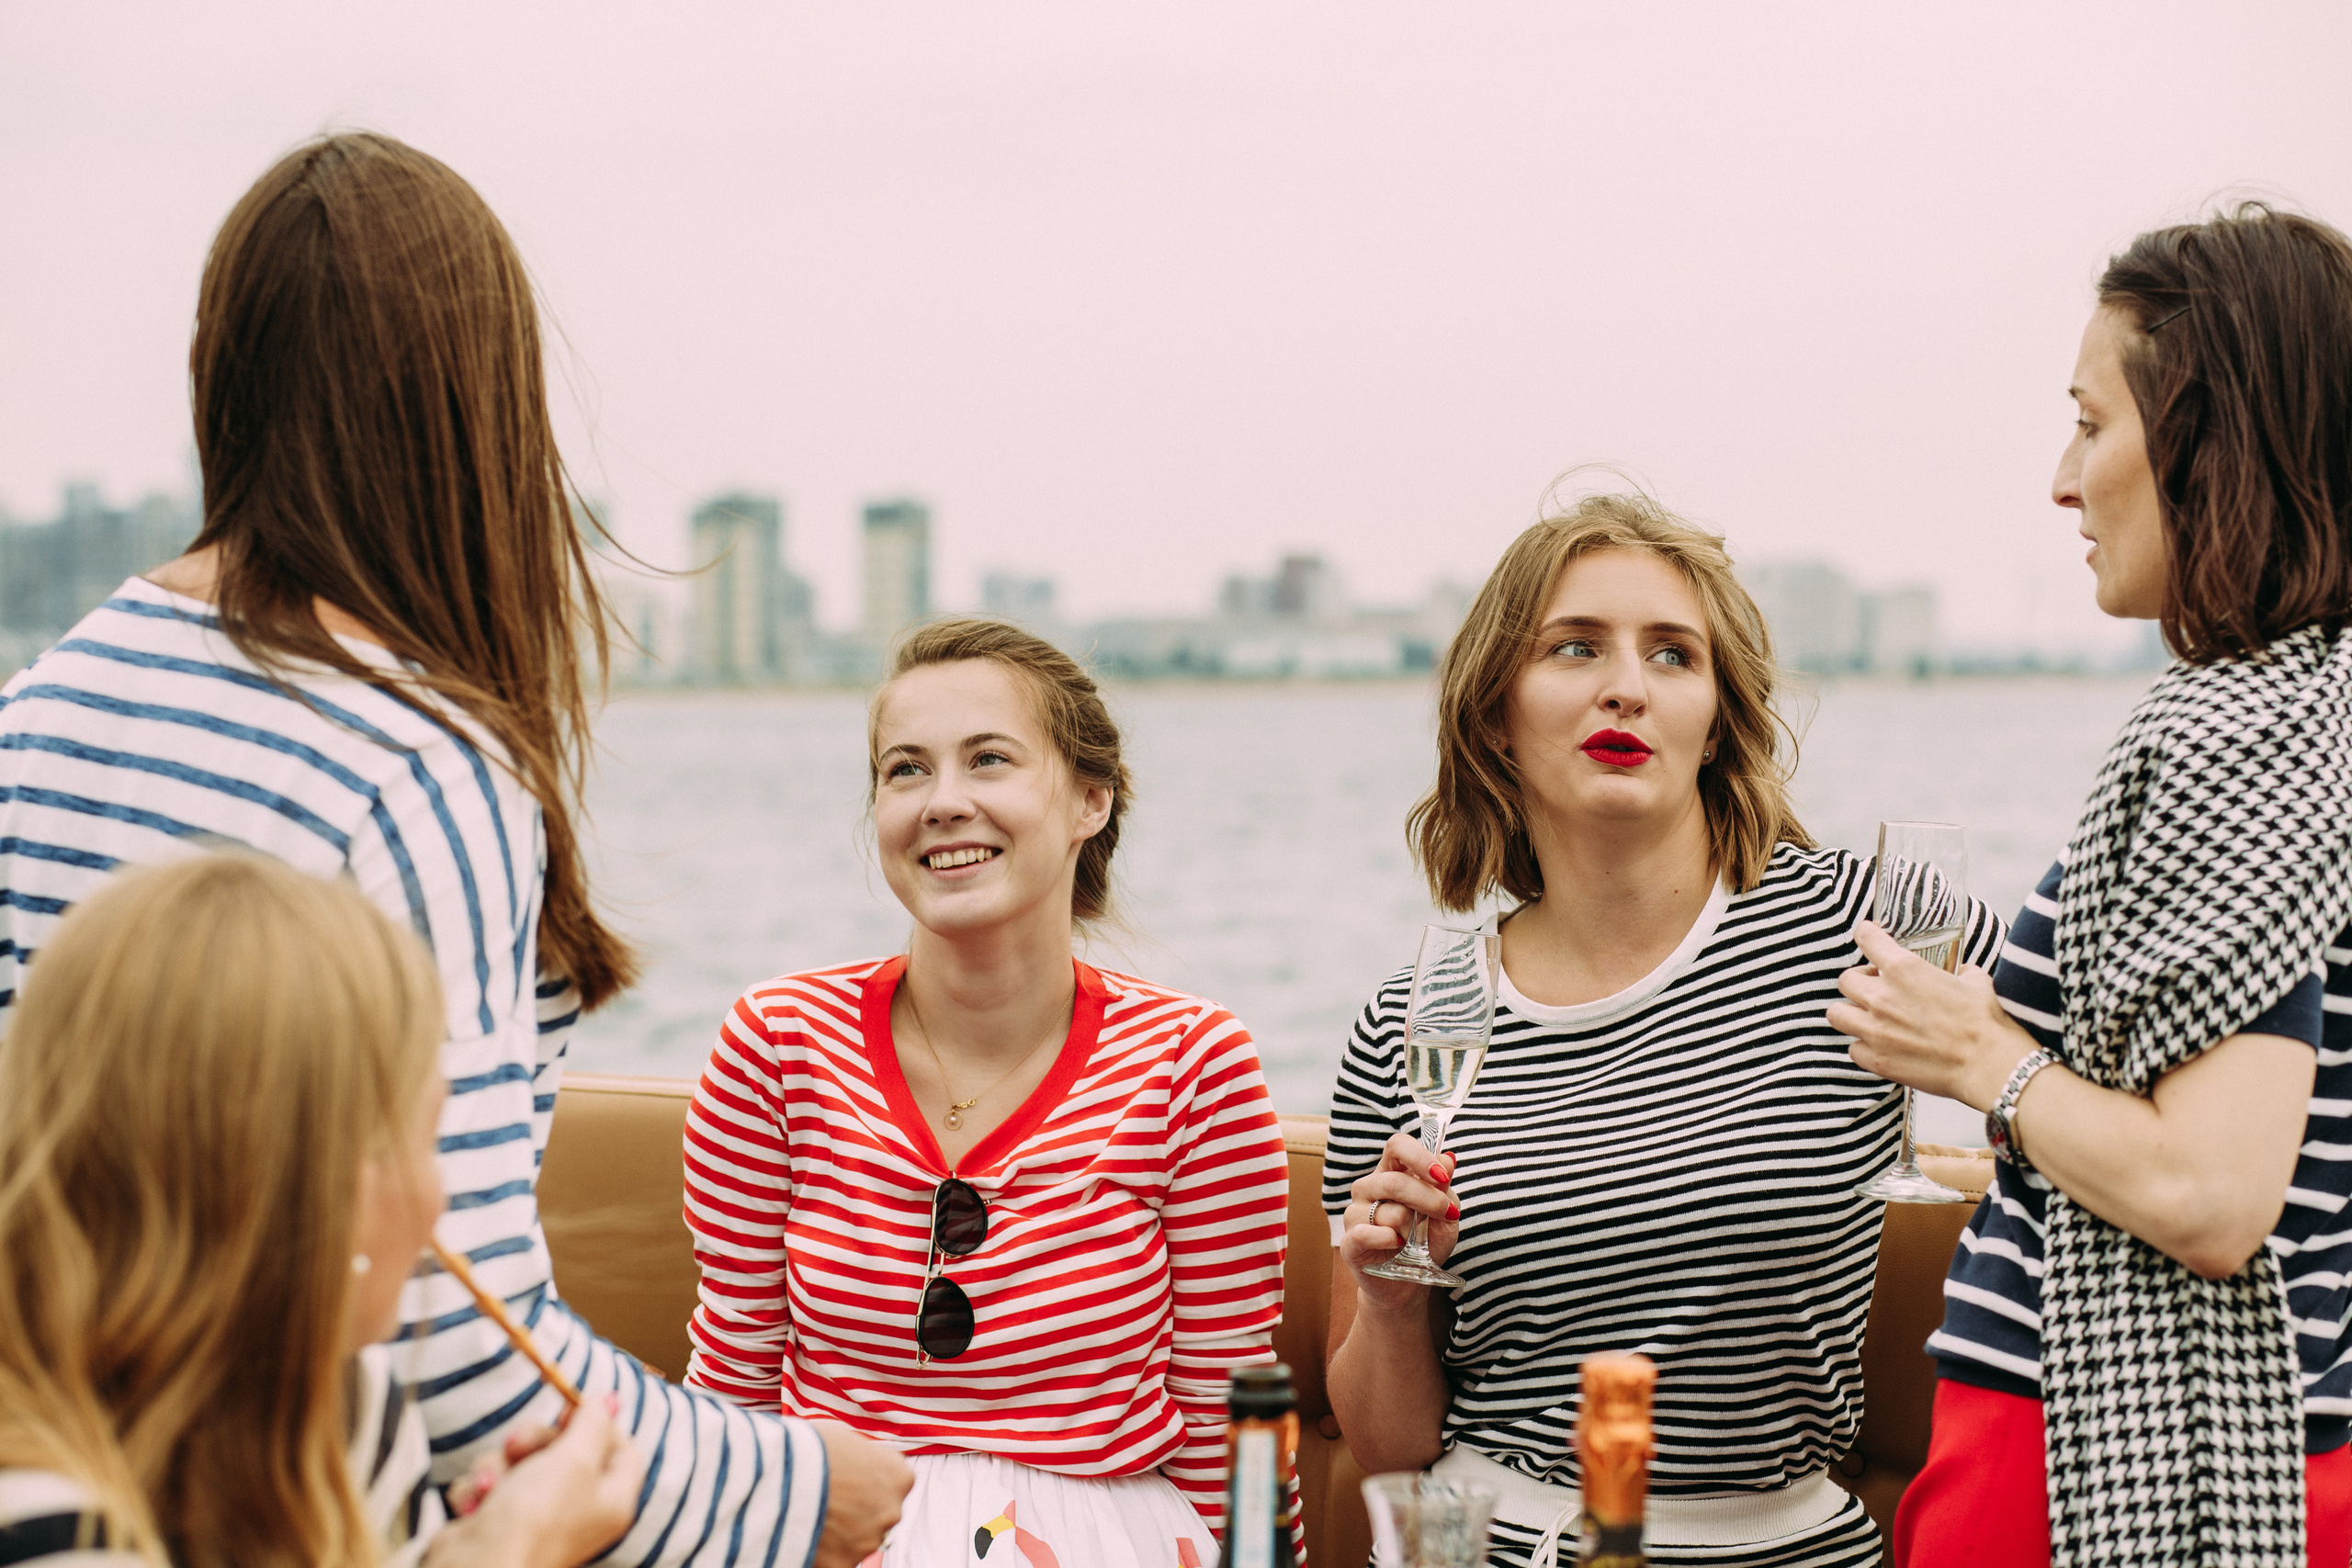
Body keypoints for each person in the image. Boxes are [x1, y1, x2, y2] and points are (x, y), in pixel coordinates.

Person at [0, 132, 904, 1568]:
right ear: (474, 408)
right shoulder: (413, 773)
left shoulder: (41, 704)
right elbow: (464, 1363)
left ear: (223, 376)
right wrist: (801, 1491)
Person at [1322, 492, 2003, 1568]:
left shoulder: (1864, 924)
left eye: (1673, 655)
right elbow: (1387, 1445)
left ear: (1717, 719)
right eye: (1575, 647)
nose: (1626, 688)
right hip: (1496, 1542)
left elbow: (2080, 1074)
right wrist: (1389, 1300)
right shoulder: (1416, 1015)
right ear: (1494, 712)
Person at [1838, 206, 2352, 1568]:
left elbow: (2212, 1192)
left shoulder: (2236, 735)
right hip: (2279, 1441)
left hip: (2087, 1466)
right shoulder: (2320, 714)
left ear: (2206, 442)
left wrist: (1979, 1056)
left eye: (2090, 423)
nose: (2063, 482)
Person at [681, 618, 1295, 1568]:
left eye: (989, 760)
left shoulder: (1192, 1062)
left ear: (1091, 799)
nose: (943, 802)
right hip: (835, 1533)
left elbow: (1229, 1408)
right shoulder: (777, 1042)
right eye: (906, 770)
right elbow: (735, 1376)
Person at [0, 853, 641, 1568]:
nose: (438, 1198)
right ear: (329, 1189)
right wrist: (509, 1553)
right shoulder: (41, 1531)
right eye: (428, 1138)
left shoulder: (341, 1412)